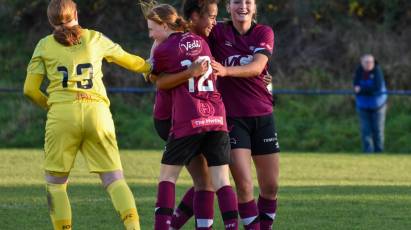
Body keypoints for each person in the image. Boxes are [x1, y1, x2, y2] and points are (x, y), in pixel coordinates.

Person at [23, 0, 151, 229]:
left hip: (62, 115)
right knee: (114, 180)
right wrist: (148, 67)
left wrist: (51, 106)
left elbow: (30, 90)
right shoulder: (95, 38)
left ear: (51, 20)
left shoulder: (44, 45)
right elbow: (128, 60)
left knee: (56, 184)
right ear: (76, 14)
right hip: (97, 113)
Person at [144, 4, 238, 230]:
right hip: (216, 117)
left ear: (165, 25)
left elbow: (152, 77)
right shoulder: (203, 43)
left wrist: (155, 64)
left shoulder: (166, 47)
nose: (150, 34)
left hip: (187, 118)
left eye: (152, 29)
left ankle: (164, 226)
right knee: (218, 182)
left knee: (169, 177)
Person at [209, 0, 280, 229]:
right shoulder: (217, 32)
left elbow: (257, 67)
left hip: (263, 116)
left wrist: (226, 70)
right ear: (228, 7)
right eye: (236, 1)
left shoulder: (263, 32)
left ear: (255, 7)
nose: (243, 6)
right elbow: (183, 35)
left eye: (248, 1)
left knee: (270, 187)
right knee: (245, 186)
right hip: (232, 119)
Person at [353, 54, 388, 153]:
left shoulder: (377, 71)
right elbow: (355, 86)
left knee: (378, 131)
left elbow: (376, 88)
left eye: (371, 62)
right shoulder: (359, 71)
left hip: (378, 107)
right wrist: (362, 90)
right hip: (362, 106)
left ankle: (379, 153)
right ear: (361, 62)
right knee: (365, 131)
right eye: (366, 62)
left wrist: (362, 90)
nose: (369, 64)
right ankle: (368, 153)